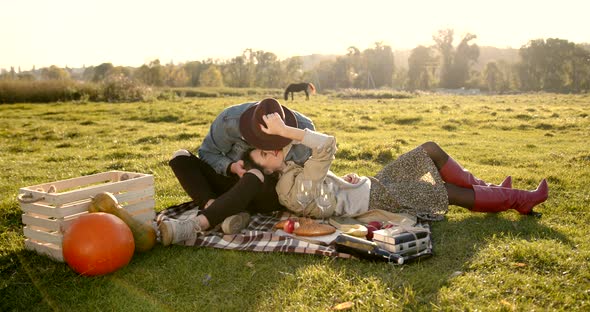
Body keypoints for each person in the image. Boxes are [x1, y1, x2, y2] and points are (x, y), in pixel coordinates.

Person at [242, 112, 549, 220]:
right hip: (379, 198)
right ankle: (519, 200)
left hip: (373, 185)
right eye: (263, 155)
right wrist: (285, 132)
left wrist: (343, 182)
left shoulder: (291, 172)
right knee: (446, 192)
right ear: (268, 171)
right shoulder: (289, 190)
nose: (270, 151)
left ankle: (493, 190)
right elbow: (326, 144)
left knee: (430, 150)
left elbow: (323, 186)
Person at [159, 98, 315, 246]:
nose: (270, 149)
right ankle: (218, 210)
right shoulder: (229, 121)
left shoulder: (303, 130)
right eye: (261, 144)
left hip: (267, 193)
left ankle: (194, 226)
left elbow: (310, 176)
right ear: (249, 133)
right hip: (230, 182)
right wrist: (231, 166)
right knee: (180, 157)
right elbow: (207, 153)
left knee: (255, 174)